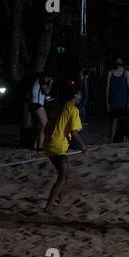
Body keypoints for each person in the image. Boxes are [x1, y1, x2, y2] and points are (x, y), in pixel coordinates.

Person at [44, 82, 88, 213]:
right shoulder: (73, 110)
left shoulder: (59, 106)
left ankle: (60, 199)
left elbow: (48, 125)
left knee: (67, 172)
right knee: (63, 176)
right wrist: (83, 145)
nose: (81, 96)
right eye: (79, 94)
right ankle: (49, 206)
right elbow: (74, 132)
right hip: (58, 146)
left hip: (50, 143)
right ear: (75, 95)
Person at [106, 59, 129, 143]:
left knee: (123, 122)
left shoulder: (126, 72)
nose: (118, 64)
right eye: (117, 62)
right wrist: (107, 102)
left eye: (120, 63)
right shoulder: (110, 72)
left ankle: (123, 140)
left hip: (123, 101)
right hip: (114, 101)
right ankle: (111, 141)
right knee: (113, 121)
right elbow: (107, 87)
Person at [28, 75, 53, 150]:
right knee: (45, 125)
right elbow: (47, 91)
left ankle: (35, 145)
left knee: (40, 126)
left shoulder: (37, 81)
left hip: (34, 104)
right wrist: (50, 83)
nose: (48, 80)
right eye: (48, 78)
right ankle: (40, 146)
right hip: (37, 104)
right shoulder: (41, 80)